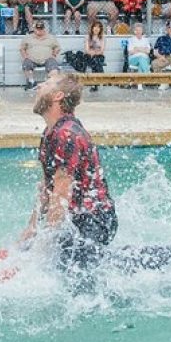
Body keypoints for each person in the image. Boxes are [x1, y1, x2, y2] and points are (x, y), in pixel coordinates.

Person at [19, 73, 117, 266]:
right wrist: (31, 229)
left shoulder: (66, 134)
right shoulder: (50, 132)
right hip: (75, 217)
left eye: (46, 84)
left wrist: (38, 254)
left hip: (93, 221)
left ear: (58, 96)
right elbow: (48, 187)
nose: (38, 87)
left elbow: (61, 195)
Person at [21, 21, 61, 90]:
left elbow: (57, 47)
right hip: (32, 59)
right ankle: (31, 82)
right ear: (34, 29)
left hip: (47, 59)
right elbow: (22, 48)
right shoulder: (28, 37)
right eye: (37, 29)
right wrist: (25, 56)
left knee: (53, 66)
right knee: (26, 64)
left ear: (44, 29)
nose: (39, 30)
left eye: (41, 29)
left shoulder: (50, 37)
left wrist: (54, 54)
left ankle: (50, 84)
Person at [85, 21, 105, 91]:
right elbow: (87, 50)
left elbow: (102, 50)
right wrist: (92, 53)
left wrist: (95, 53)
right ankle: (102, 76)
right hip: (89, 56)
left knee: (95, 61)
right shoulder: (88, 37)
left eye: (98, 27)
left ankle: (94, 85)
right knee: (95, 61)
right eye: (95, 26)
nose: (96, 28)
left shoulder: (102, 37)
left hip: (99, 56)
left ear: (100, 29)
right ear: (92, 28)